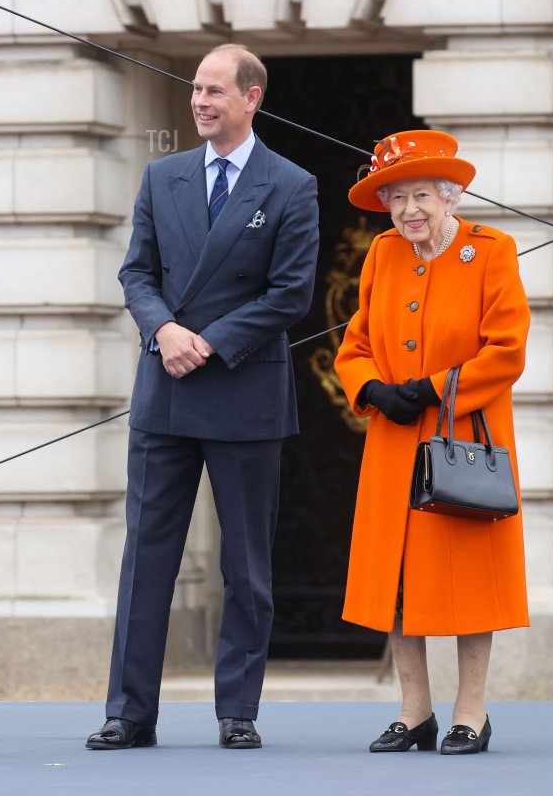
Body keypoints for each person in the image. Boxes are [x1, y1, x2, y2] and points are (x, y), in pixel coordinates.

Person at [86, 44, 320, 751]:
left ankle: (237, 710)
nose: (199, 101)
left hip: (243, 393)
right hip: (166, 392)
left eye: (215, 91)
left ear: (253, 98)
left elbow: (292, 294)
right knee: (146, 558)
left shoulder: (292, 184)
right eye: (196, 90)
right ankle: (130, 711)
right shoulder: (162, 177)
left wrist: (208, 341)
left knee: (245, 564)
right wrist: (165, 331)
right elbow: (137, 274)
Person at [335, 129, 530, 755]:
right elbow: (355, 345)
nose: (409, 210)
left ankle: (470, 712)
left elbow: (507, 350)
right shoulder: (383, 254)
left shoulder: (492, 250)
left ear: (449, 197)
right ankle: (414, 712)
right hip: (395, 442)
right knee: (396, 582)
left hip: (464, 437)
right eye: (397, 198)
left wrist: (437, 388)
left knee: (470, 580)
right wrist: (371, 390)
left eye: (422, 195)